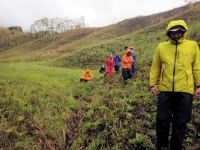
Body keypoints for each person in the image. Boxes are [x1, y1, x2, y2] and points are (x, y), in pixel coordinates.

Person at [149, 20, 200, 150]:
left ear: (183, 31)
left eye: (179, 32)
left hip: (185, 90)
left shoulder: (192, 45)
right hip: (165, 89)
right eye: (173, 32)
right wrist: (152, 84)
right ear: (168, 33)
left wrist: (199, 85)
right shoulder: (161, 47)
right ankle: (162, 146)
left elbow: (196, 67)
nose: (176, 35)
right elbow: (156, 67)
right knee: (161, 120)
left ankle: (176, 147)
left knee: (181, 122)